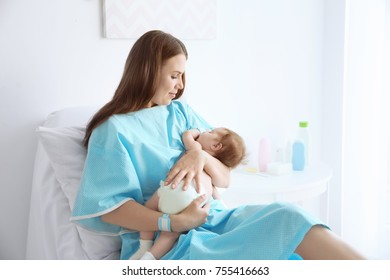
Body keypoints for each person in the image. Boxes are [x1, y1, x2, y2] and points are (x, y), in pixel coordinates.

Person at [71, 30, 365, 260]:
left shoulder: (181, 112)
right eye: (174, 76)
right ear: (147, 71)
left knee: (291, 216)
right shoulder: (113, 130)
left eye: (183, 76)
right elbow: (108, 209)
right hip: (167, 242)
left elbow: (224, 176)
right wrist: (172, 222)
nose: (180, 86)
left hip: (218, 219)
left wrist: (198, 154)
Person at [130, 127, 246, 260]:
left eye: (210, 132)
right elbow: (216, 193)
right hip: (192, 196)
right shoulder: (212, 172)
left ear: (215, 145)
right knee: (170, 233)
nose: (205, 131)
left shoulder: (196, 149)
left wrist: (194, 132)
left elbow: (186, 136)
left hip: (169, 188)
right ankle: (150, 257)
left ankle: (144, 245)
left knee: (149, 207)